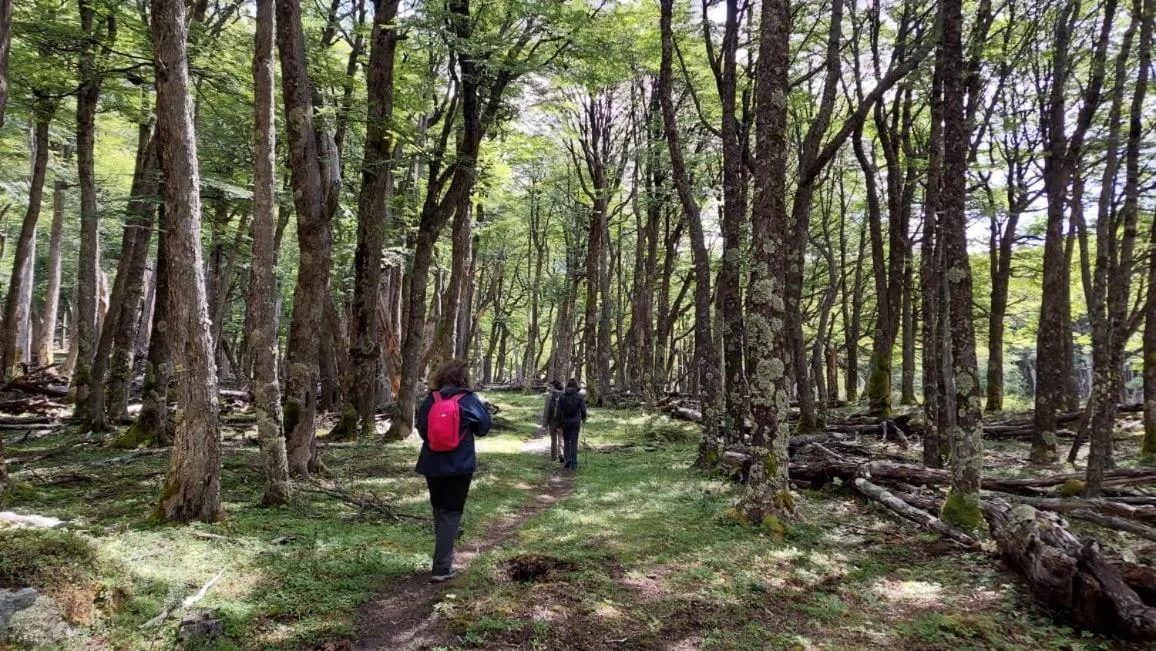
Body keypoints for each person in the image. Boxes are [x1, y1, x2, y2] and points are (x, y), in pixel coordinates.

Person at [415, 359, 493, 583]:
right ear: (464, 377)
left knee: (439, 509)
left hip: (432, 463)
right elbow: (484, 428)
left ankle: (443, 557)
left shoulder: (432, 399)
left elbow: (422, 430)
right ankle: (441, 568)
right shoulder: (468, 399)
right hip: (459, 465)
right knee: (451, 513)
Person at [557, 378, 587, 471]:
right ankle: (574, 463)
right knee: (574, 442)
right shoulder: (579, 396)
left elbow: (559, 411)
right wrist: (583, 418)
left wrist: (559, 422)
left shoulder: (562, 396)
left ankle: (567, 461)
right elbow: (583, 410)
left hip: (565, 422)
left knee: (566, 441)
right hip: (575, 422)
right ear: (576, 386)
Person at [543, 380, 564, 462]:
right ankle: (560, 454)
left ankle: (554, 456)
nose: (550, 388)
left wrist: (545, 424)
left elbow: (546, 410)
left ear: (554, 387)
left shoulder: (550, 397)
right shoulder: (564, 395)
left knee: (554, 438)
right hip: (560, 420)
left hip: (553, 420)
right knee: (560, 438)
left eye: (551, 387)